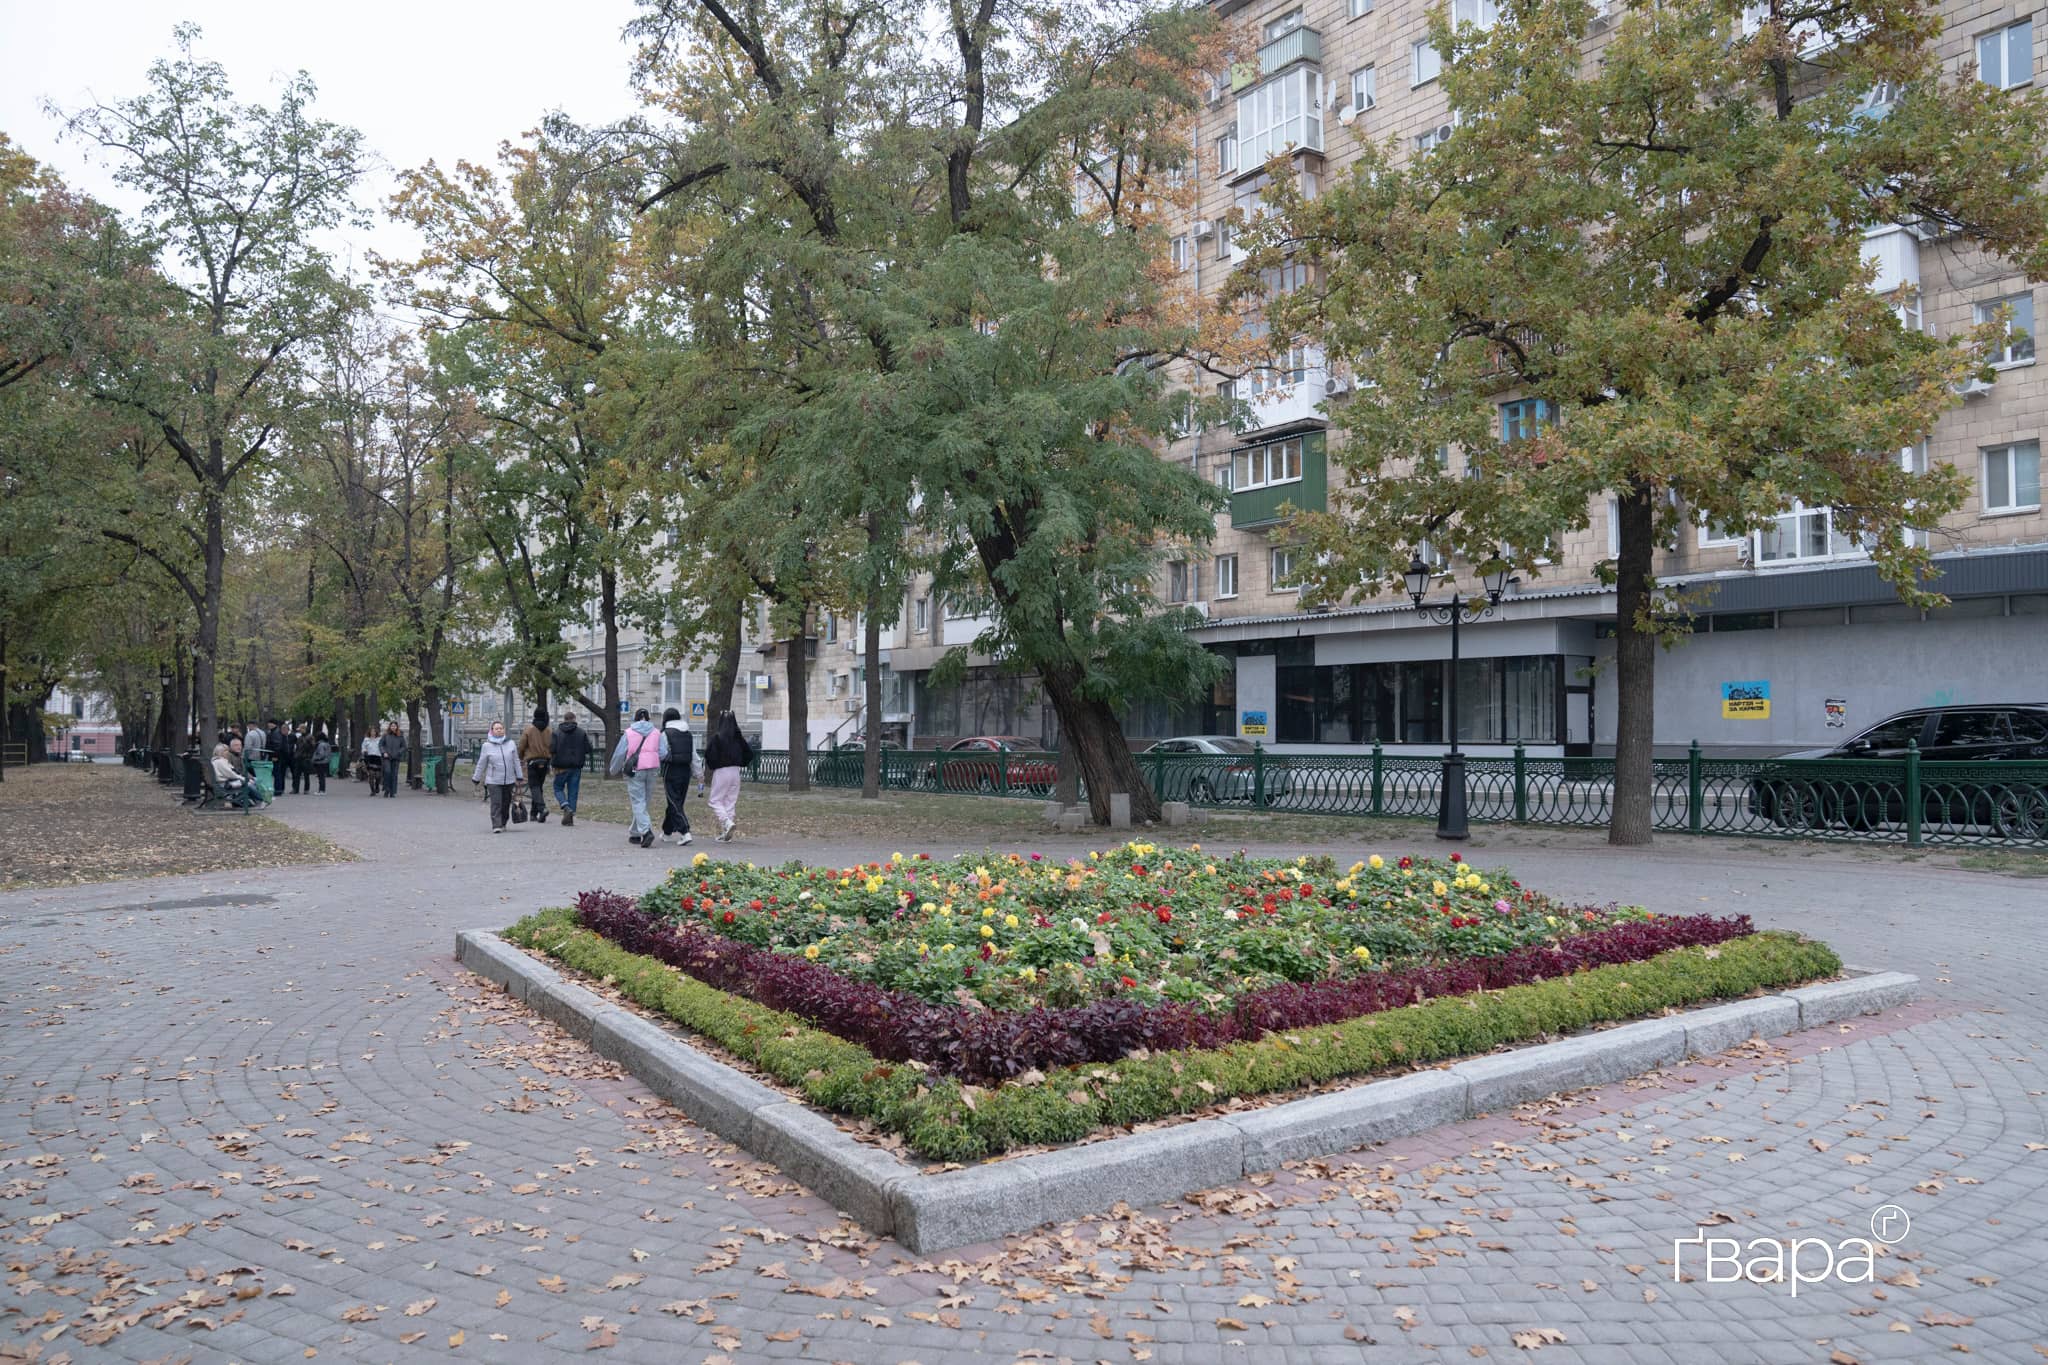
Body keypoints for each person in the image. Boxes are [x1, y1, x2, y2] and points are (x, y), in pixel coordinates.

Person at [608, 708, 664, 848]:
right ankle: (635, 833)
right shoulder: (657, 732)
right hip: (652, 768)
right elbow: (663, 752)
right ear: (649, 718)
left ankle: (646, 832)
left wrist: (613, 770)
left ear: (635, 718)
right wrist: (652, 758)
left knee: (638, 801)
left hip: (635, 769)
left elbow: (620, 753)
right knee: (644, 801)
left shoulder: (629, 733)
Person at [702, 710, 753, 842]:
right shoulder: (738, 738)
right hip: (736, 772)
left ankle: (726, 823)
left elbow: (709, 755)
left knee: (715, 800)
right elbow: (749, 753)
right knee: (730, 801)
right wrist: (741, 762)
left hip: (721, 772)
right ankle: (727, 833)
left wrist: (713, 765)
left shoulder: (718, 738)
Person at [658, 707, 701, 845]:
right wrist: (698, 773)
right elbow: (694, 755)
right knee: (677, 802)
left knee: (673, 801)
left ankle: (685, 832)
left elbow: (662, 753)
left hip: (671, 770)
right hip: (686, 771)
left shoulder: (665, 733)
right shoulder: (688, 733)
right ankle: (667, 832)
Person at [470, 719, 522, 833]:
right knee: (496, 803)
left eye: (501, 728)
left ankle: (503, 822)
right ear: (492, 731)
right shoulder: (487, 746)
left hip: (509, 780)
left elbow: (516, 761)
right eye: (496, 729)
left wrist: (519, 775)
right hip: (493, 780)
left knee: (505, 803)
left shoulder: (511, 743)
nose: (499, 730)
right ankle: (496, 825)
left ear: (504, 730)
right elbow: (481, 763)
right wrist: (476, 777)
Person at [549, 711, 591, 826]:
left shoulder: (557, 733)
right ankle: (570, 816)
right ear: (574, 718)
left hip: (561, 766)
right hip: (576, 766)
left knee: (558, 788)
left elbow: (552, 749)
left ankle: (565, 805)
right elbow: (588, 748)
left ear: (564, 719)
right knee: (573, 791)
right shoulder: (581, 733)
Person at [518, 706, 553, 825]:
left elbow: (521, 745)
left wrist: (520, 757)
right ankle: (534, 814)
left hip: (532, 761)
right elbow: (552, 746)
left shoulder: (529, 730)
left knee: (534, 787)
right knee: (539, 787)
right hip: (545, 761)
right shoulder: (549, 730)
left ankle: (542, 808)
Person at [210, 742, 259, 809]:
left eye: (227, 750)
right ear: (220, 752)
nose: (227, 752)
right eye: (225, 751)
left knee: (252, 781)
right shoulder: (220, 761)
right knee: (249, 783)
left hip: (224, 782)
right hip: (226, 783)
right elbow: (231, 774)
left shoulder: (217, 760)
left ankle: (256, 800)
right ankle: (262, 799)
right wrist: (243, 778)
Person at [378, 721, 403, 798]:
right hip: (387, 757)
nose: (393, 727)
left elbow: (404, 746)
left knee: (394, 775)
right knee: (387, 772)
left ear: (397, 727)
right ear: (390, 727)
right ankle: (386, 789)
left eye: (394, 726)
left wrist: (399, 752)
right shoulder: (386, 735)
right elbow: (381, 745)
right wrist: (384, 752)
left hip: (396, 758)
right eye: (392, 726)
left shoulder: (400, 736)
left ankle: (392, 792)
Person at [273, 722, 297, 797]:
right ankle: (281, 788)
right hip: (283, 757)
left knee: (294, 773)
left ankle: (295, 788)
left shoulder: (292, 736)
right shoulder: (280, 736)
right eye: (282, 729)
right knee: (282, 773)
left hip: (292, 756)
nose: (283, 731)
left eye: (284, 729)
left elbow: (296, 744)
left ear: (288, 729)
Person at [311, 725, 331, 793]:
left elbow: (321, 754)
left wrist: (315, 759)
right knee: (322, 776)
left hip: (320, 762)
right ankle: (322, 790)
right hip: (325, 761)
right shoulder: (326, 743)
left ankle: (321, 790)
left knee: (321, 777)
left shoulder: (320, 744)